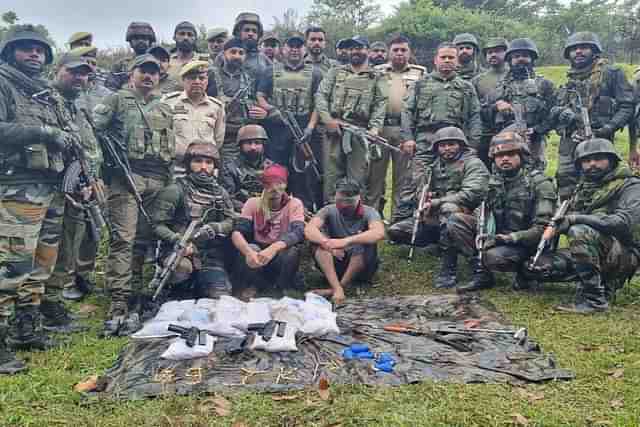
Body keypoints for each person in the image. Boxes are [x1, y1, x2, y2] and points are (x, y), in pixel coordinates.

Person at [0, 25, 76, 373]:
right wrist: (43, 132)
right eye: (25, 48)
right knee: (11, 265)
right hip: (16, 187)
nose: (34, 54)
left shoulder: (45, 93)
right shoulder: (3, 82)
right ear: (10, 51)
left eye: (39, 50)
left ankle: (26, 328)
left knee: (41, 263)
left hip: (50, 185)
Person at [93, 54, 175, 336]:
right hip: (126, 177)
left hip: (158, 179)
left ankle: (137, 294)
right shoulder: (116, 100)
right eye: (144, 71)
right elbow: (94, 133)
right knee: (123, 240)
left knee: (144, 239)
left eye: (154, 72)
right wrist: (101, 173)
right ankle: (118, 300)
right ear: (132, 73)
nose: (149, 76)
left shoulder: (164, 107)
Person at [525, 138, 640, 313]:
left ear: (612, 160)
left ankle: (595, 300)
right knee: (535, 267)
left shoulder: (630, 185)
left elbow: (622, 223)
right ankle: (595, 282)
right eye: (586, 161)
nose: (592, 164)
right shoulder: (584, 188)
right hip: (594, 250)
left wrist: (575, 219)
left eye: (598, 158)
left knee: (579, 231)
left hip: (624, 254)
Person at [447, 130, 556, 293]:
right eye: (499, 156)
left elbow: (544, 228)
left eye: (510, 154)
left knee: (492, 257)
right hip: (499, 237)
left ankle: (525, 272)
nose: (504, 159)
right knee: (456, 221)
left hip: (527, 242)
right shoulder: (494, 182)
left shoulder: (539, 183)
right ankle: (481, 273)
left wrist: (509, 238)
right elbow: (483, 209)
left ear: (522, 155)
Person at [388, 127, 488, 289]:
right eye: (442, 145)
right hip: (438, 215)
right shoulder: (434, 166)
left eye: (451, 144)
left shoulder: (473, 164)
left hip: (467, 218)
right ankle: (440, 243)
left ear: (461, 145)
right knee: (397, 231)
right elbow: (416, 193)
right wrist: (425, 200)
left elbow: (472, 194)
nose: (447, 149)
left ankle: (449, 268)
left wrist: (438, 202)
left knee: (448, 209)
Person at [48, 53, 105, 305]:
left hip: (83, 182)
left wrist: (92, 178)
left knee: (84, 235)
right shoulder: (48, 101)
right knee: (59, 243)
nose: (80, 78)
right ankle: (51, 297)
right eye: (73, 72)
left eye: (83, 74)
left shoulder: (78, 105)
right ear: (57, 70)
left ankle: (73, 284)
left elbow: (87, 146)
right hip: (56, 186)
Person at [551, 32, 635, 200]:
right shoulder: (569, 80)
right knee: (566, 180)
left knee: (600, 180)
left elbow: (627, 105)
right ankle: (565, 215)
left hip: (599, 139)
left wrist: (608, 128)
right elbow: (553, 110)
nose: (578, 52)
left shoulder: (611, 73)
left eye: (584, 47)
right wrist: (563, 114)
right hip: (570, 140)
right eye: (574, 49)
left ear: (595, 50)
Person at [400, 42, 482, 212]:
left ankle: (448, 218)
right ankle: (414, 218)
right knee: (419, 179)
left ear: (457, 61)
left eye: (451, 57)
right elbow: (407, 112)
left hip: (455, 141)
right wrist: (408, 139)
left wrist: (473, 145)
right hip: (425, 140)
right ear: (435, 60)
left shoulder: (466, 87)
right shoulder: (420, 84)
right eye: (443, 57)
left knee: (453, 178)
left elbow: (474, 116)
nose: (447, 60)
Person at [152, 142, 236, 300]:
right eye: (198, 161)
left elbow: (231, 220)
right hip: (179, 253)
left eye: (209, 162)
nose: (203, 167)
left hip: (209, 256)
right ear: (189, 164)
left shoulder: (220, 193)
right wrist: (177, 240)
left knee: (219, 297)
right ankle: (176, 291)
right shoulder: (174, 190)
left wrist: (217, 227)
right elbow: (157, 225)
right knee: (180, 272)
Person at [315, 36, 388, 203]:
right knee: (332, 177)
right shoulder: (335, 72)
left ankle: (355, 219)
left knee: (357, 179)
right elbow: (321, 95)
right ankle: (330, 218)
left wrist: (375, 129)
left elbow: (380, 104)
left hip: (359, 133)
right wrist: (328, 120)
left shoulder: (377, 76)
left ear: (367, 51)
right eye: (352, 48)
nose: (355, 51)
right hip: (335, 130)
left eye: (360, 47)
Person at [257, 32, 323, 210]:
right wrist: (272, 110)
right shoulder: (270, 71)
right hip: (278, 130)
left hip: (304, 131)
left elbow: (319, 104)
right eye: (291, 46)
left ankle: (304, 214)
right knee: (277, 174)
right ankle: (275, 214)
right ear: (283, 49)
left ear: (305, 50)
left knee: (304, 176)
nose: (295, 50)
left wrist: (310, 127)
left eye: (299, 46)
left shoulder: (316, 73)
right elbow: (260, 96)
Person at [368, 35, 426, 220]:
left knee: (402, 179)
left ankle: (397, 222)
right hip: (381, 129)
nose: (399, 53)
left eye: (403, 50)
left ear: (410, 52)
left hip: (405, 131)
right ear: (389, 52)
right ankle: (372, 220)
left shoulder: (420, 73)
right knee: (374, 178)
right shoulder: (377, 71)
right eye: (395, 50)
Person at [305, 179, 385, 304]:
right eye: (339, 200)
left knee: (365, 242)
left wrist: (346, 241)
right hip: (336, 262)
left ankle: (338, 287)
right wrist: (327, 243)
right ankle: (337, 288)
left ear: (359, 199)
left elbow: (379, 233)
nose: (343, 205)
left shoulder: (370, 212)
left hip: (362, 267)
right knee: (317, 242)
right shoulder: (328, 210)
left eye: (349, 202)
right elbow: (309, 229)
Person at [231, 164, 305, 298]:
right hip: (258, 253)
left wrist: (273, 249)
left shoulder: (294, 204)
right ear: (263, 185)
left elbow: (298, 232)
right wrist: (248, 252)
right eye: (270, 184)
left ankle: (282, 287)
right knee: (251, 247)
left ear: (286, 184)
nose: (275, 188)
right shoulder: (253, 203)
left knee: (292, 252)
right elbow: (237, 232)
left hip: (279, 251)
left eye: (280, 183)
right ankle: (250, 285)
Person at [481, 38, 555, 169]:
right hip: (505, 141)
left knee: (535, 174)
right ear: (509, 60)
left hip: (534, 140)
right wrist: (496, 106)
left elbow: (554, 112)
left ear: (532, 58)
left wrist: (538, 130)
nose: (521, 59)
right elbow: (483, 113)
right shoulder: (500, 87)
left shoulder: (544, 85)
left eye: (525, 56)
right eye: (516, 56)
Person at [207, 38, 267, 163]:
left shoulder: (249, 79)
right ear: (224, 54)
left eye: (241, 53)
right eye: (233, 52)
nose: (237, 56)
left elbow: (259, 101)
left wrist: (261, 112)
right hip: (216, 136)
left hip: (243, 138)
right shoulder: (211, 76)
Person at [163, 61, 225, 178]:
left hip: (204, 167)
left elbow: (218, 139)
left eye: (201, 78)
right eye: (192, 78)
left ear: (207, 81)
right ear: (183, 81)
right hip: (176, 167)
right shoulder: (169, 103)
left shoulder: (216, 107)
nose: (197, 81)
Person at [473, 37, 509, 165]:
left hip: (512, 133)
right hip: (486, 134)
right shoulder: (477, 80)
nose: (493, 54)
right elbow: (474, 110)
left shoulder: (515, 75)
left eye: (498, 51)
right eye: (489, 52)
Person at [220, 125, 268, 212]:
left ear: (263, 145)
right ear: (240, 145)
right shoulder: (229, 167)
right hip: (241, 212)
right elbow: (228, 197)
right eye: (248, 143)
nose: (253, 147)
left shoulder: (272, 168)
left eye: (257, 143)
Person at [106, 22, 156, 91]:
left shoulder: (159, 63)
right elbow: (110, 87)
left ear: (150, 41)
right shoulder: (121, 65)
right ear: (130, 43)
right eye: (136, 38)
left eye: (144, 38)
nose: (140, 41)